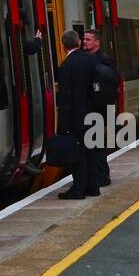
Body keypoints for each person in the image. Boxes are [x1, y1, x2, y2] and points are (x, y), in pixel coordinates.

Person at [56, 29, 100, 199]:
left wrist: (62, 125)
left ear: (63, 45)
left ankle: (78, 189)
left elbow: (65, 99)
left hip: (76, 117)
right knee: (91, 150)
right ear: (79, 42)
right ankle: (93, 187)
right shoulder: (91, 60)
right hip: (92, 113)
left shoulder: (65, 66)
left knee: (78, 153)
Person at [82, 28, 117, 186]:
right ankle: (97, 175)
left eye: (88, 39)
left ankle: (102, 176)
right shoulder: (89, 58)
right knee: (93, 144)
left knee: (97, 145)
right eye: (84, 39)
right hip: (93, 108)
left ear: (97, 42)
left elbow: (109, 85)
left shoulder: (103, 60)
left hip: (98, 109)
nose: (84, 42)